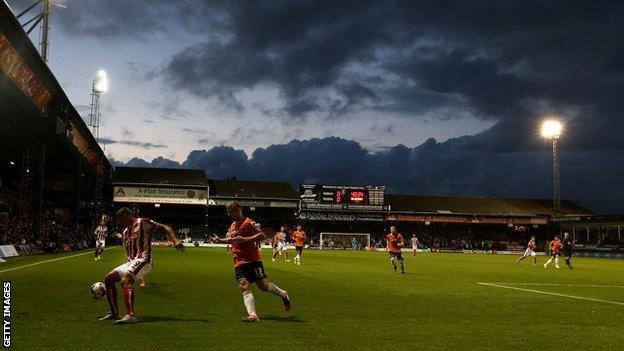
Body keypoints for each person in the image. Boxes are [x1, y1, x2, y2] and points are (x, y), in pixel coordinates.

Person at [99, 207, 184, 324]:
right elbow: (129, 251)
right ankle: (114, 313)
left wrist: (175, 240)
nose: (119, 222)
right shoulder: (125, 232)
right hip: (131, 261)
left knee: (126, 279)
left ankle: (130, 315)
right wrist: (128, 265)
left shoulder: (143, 222)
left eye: (120, 219)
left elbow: (166, 227)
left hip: (144, 259)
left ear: (126, 215)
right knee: (109, 278)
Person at [212, 201, 291, 322]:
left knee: (263, 287)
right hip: (239, 261)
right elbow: (233, 240)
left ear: (237, 209)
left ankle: (283, 294)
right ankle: (253, 315)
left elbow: (262, 236)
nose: (228, 214)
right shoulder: (233, 225)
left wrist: (245, 239)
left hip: (253, 260)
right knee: (243, 285)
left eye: (230, 211)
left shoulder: (248, 222)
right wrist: (220, 240)